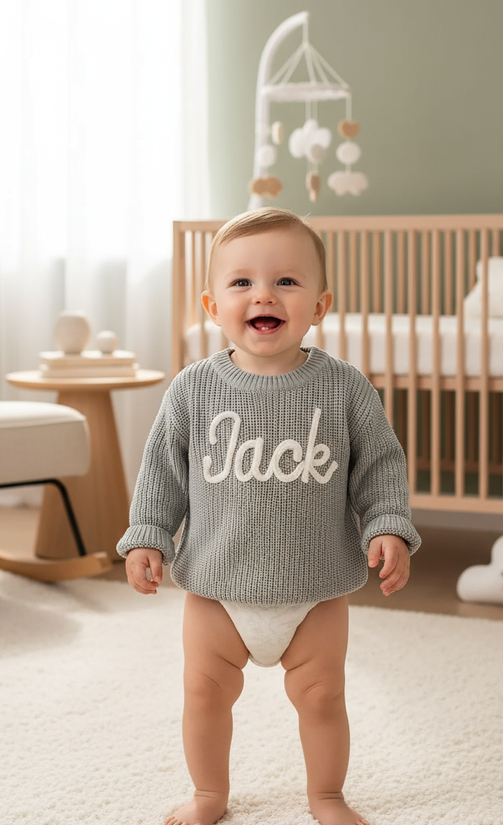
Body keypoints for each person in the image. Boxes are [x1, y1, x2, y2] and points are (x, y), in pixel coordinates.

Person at [118, 208, 421, 825]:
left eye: (286, 281)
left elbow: (380, 465)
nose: (263, 294)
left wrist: (387, 522)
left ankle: (326, 796)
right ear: (211, 305)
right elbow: (161, 471)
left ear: (319, 305)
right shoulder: (193, 389)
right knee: (204, 693)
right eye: (241, 283)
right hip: (216, 584)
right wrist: (147, 534)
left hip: (314, 589)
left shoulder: (344, 389)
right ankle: (209, 794)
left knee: (322, 696)